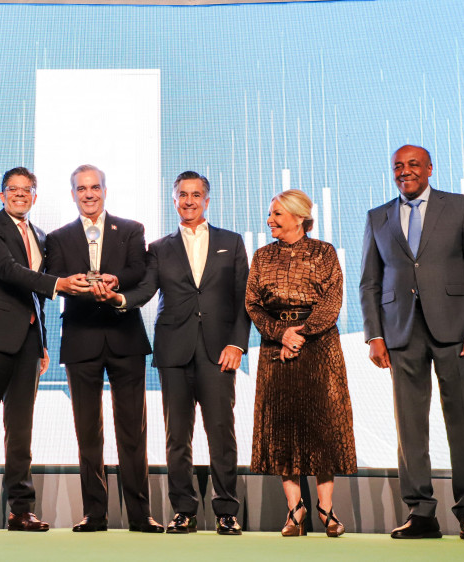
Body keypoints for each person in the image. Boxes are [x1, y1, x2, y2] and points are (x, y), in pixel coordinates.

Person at [92, 171, 250, 535]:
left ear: (207, 200)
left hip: (219, 352)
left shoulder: (231, 241)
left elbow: (243, 298)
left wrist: (237, 343)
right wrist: (119, 299)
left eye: (196, 195)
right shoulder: (160, 247)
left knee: (222, 434)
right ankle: (184, 511)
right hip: (173, 351)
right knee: (177, 437)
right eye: (183, 194)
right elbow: (146, 290)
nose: (189, 201)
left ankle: (227, 511)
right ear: (174, 199)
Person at [360, 145, 464, 541]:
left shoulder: (459, 206)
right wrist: (375, 335)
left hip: (458, 332)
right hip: (400, 333)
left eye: (413, 164)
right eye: (398, 166)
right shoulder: (378, 216)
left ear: (430, 168)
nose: (405, 171)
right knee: (410, 428)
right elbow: (370, 282)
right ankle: (420, 513)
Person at [0, 167, 87, 533]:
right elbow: (7, 270)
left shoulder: (41, 236)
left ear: (35, 196)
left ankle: (20, 510)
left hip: (27, 344)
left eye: (26, 189)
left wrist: (42, 342)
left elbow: (34, 296)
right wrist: (59, 284)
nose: (19, 194)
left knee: (21, 432)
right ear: (2, 195)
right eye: (12, 189)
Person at [45, 164, 163, 533]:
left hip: (125, 338)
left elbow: (138, 270)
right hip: (81, 339)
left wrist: (114, 281)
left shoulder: (130, 229)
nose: (89, 194)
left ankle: (140, 515)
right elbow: (55, 278)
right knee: (87, 433)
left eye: (94, 187)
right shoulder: (58, 237)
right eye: (81, 189)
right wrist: (78, 285)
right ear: (73, 194)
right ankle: (95, 514)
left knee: (133, 432)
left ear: (105, 191)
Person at [246, 189, 357, 538]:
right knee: (283, 426)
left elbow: (332, 301)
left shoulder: (324, 252)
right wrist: (281, 335)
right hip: (275, 348)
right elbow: (253, 304)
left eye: (277, 214)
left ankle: (326, 509)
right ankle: (295, 510)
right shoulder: (262, 256)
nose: (270, 220)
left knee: (322, 425)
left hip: (320, 347)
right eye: (270, 213)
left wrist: (301, 335)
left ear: (298, 217)